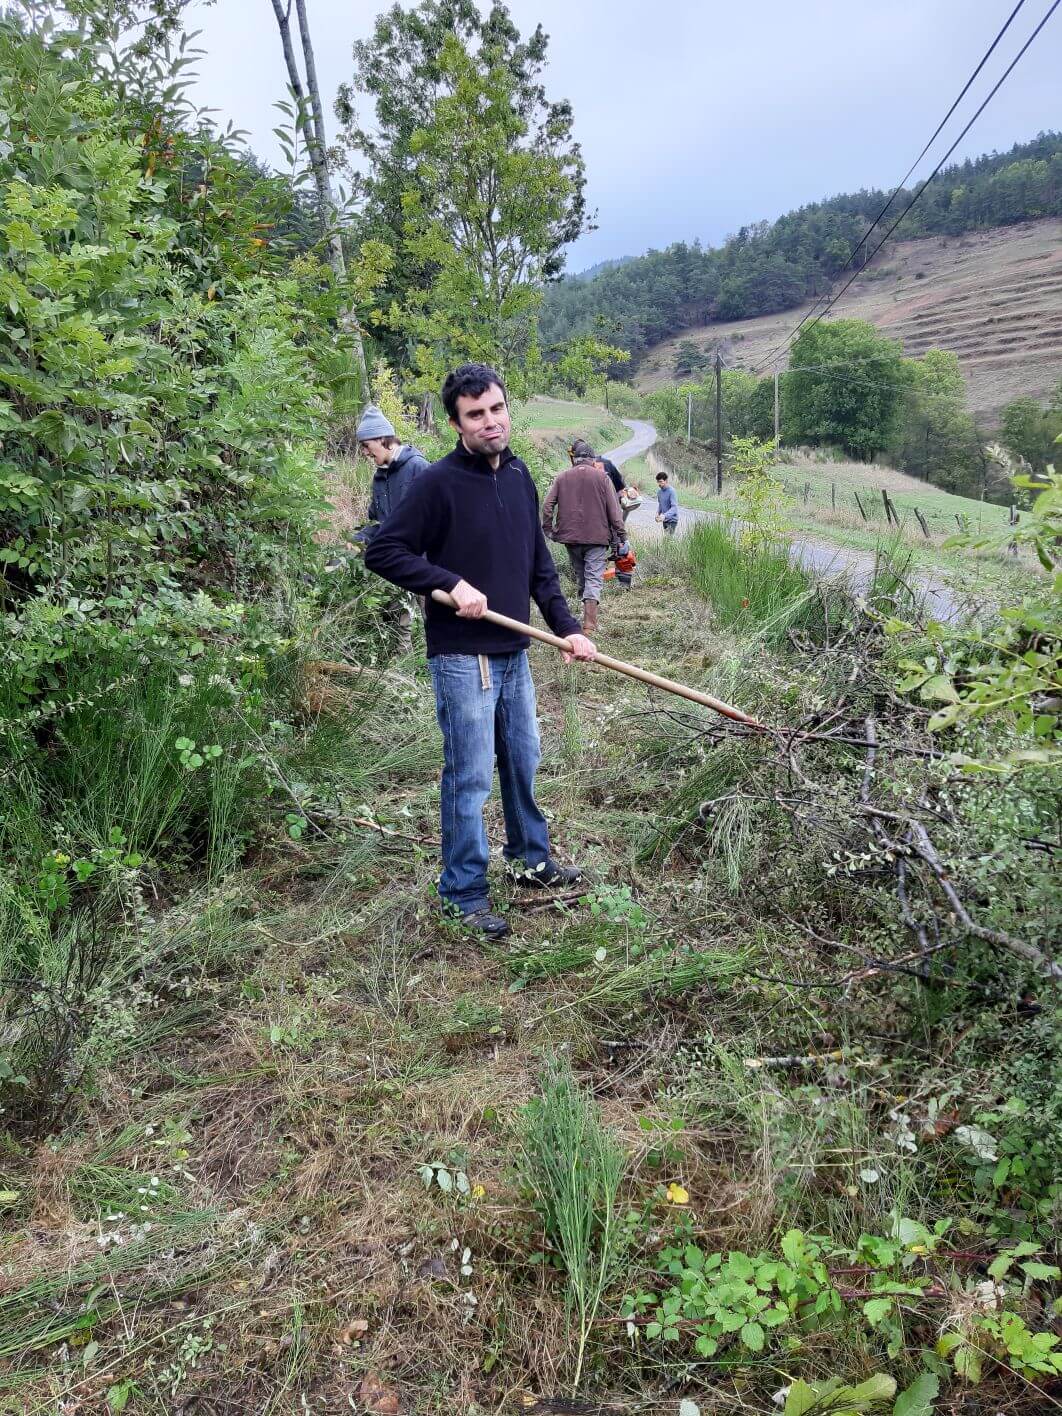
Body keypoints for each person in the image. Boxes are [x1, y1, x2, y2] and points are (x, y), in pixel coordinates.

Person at [364, 363, 596, 939]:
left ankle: (530, 861)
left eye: (496, 409)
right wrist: (449, 584)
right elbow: (384, 551)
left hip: (515, 651)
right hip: (463, 657)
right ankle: (463, 893)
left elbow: (539, 566)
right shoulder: (437, 483)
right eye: (475, 415)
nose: (490, 422)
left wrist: (568, 627)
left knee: (522, 761)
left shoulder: (519, 475)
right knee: (470, 777)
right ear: (456, 424)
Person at [542, 444, 627, 634]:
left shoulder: (562, 477)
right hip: (597, 538)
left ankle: (586, 616)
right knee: (593, 579)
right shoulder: (603, 478)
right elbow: (614, 513)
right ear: (592, 459)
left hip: (570, 538)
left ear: (575, 458)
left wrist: (549, 530)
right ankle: (589, 624)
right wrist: (622, 535)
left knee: (582, 577)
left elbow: (547, 506)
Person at [353, 406, 431, 544]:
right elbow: (377, 525)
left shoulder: (418, 468)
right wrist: (356, 541)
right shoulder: (379, 479)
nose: (364, 452)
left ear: (382, 440)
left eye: (366, 445)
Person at [655, 469, 679, 535]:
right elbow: (660, 505)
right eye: (658, 482)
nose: (659, 484)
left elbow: (674, 508)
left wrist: (664, 515)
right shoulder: (659, 492)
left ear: (666, 481)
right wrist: (657, 513)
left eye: (661, 482)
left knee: (668, 538)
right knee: (667, 538)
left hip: (672, 520)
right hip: (664, 520)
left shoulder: (672, 491)